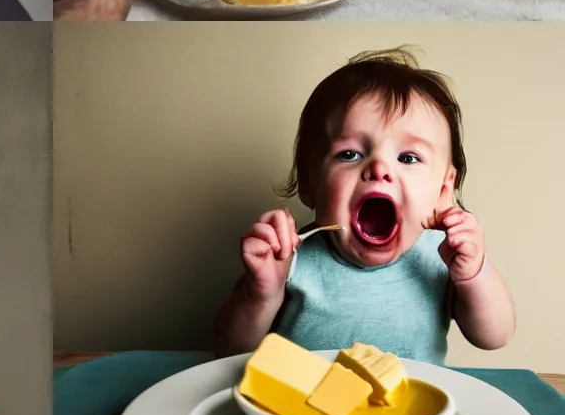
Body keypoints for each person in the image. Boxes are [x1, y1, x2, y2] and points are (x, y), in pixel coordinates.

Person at [214, 47, 514, 360]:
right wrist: (261, 294)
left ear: (442, 191)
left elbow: (494, 336)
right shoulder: (288, 260)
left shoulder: (442, 258)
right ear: (310, 183)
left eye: (408, 158)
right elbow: (227, 349)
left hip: (409, 408)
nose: (379, 168)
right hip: (302, 407)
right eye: (350, 154)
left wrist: (473, 274)